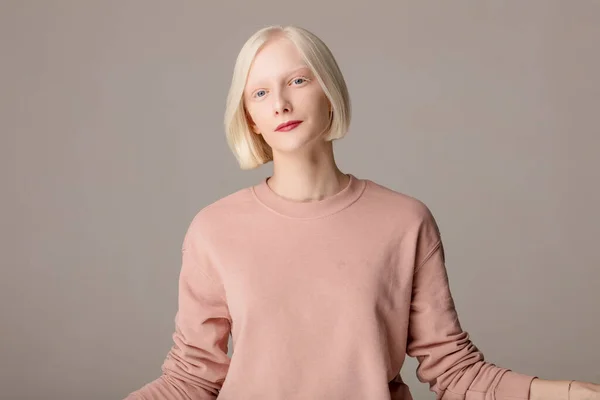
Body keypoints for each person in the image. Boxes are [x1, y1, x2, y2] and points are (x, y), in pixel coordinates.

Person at [125, 25, 599, 400]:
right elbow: (192, 379)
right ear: (249, 116)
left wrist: (571, 392)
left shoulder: (405, 221)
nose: (282, 103)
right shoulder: (214, 229)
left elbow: (453, 370)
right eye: (261, 93)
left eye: (297, 80)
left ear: (328, 91)